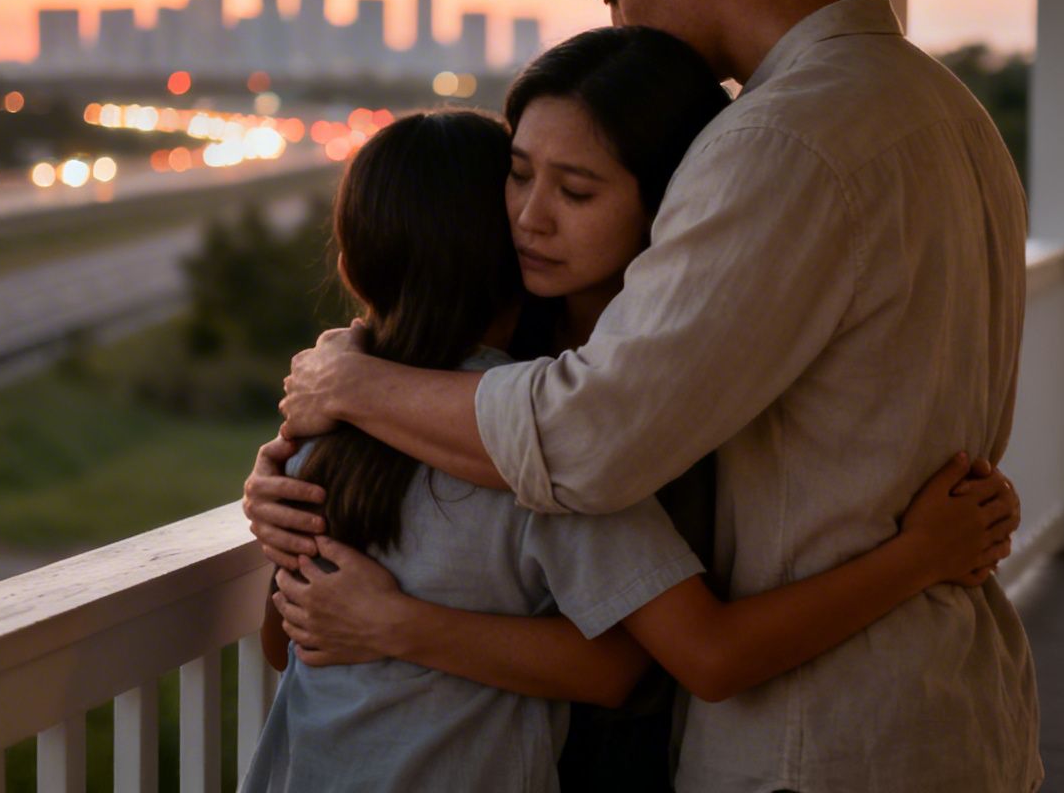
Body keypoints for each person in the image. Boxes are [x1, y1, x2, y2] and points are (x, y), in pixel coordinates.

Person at [254, 0, 1041, 791]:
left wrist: (349, 386)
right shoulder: (940, 107)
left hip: (819, 730)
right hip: (947, 700)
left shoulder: (779, 141)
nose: (617, 23)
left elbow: (588, 442)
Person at [242, 103, 1015, 793]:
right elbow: (628, 666)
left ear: (350, 266)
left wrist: (385, 616)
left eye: (575, 190)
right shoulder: (537, 447)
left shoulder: (326, 429)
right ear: (511, 255)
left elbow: (289, 640)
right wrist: (919, 556)